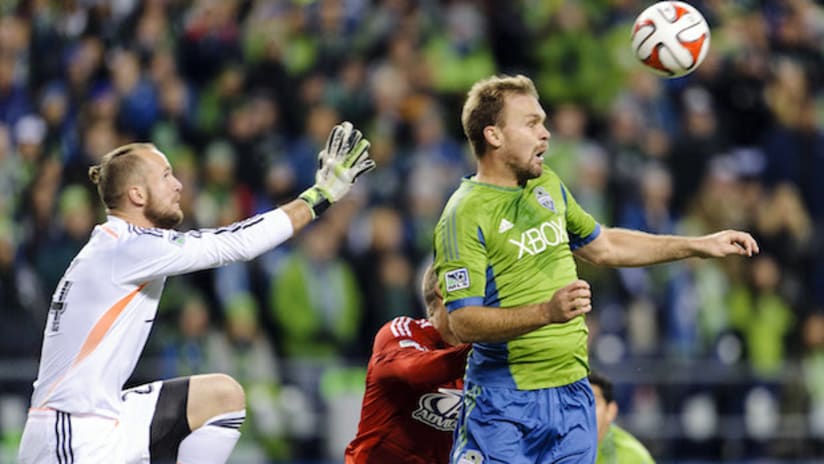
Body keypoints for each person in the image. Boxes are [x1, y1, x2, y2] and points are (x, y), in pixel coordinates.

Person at [432, 74, 759, 464]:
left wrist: (696, 245)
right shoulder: (463, 214)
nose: (546, 134)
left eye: (544, 121)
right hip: (504, 404)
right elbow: (464, 322)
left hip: (572, 396)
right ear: (494, 135)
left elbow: (604, 245)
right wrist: (545, 313)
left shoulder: (547, 186)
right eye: (531, 123)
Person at [18, 121, 375, 463]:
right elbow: (236, 243)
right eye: (166, 176)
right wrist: (318, 197)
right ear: (137, 194)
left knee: (223, 396)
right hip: (68, 432)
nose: (178, 186)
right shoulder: (126, 248)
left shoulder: (123, 246)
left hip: (107, 416)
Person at [344, 264, 471, 464]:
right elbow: (414, 370)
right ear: (443, 289)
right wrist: (486, 348)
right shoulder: (401, 331)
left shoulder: (486, 363)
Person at [589, 371, 655, 464]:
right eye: (577, 405)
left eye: (592, 404)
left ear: (611, 411)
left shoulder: (634, 458)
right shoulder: (562, 448)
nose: (585, 413)